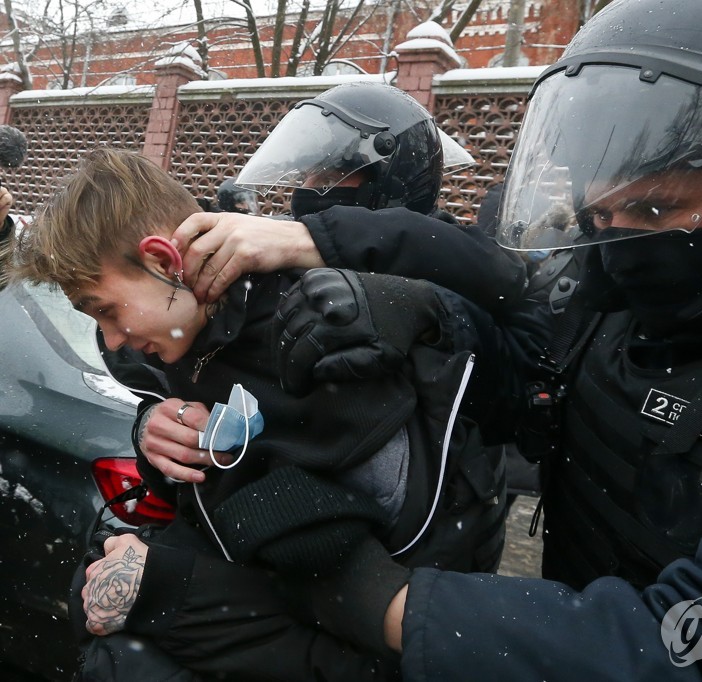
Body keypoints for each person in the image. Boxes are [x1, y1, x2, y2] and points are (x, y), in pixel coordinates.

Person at [85, 1, 702, 680]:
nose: (618, 247)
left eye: (658, 207)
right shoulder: (630, 300)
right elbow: (508, 372)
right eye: (600, 212)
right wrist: (175, 419)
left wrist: (361, 594)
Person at [15, 148, 506, 681]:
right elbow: (204, 485)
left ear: (163, 260)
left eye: (105, 310)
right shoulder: (162, 344)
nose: (111, 340)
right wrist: (155, 438)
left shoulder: (324, 315)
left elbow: (512, 286)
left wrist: (317, 241)